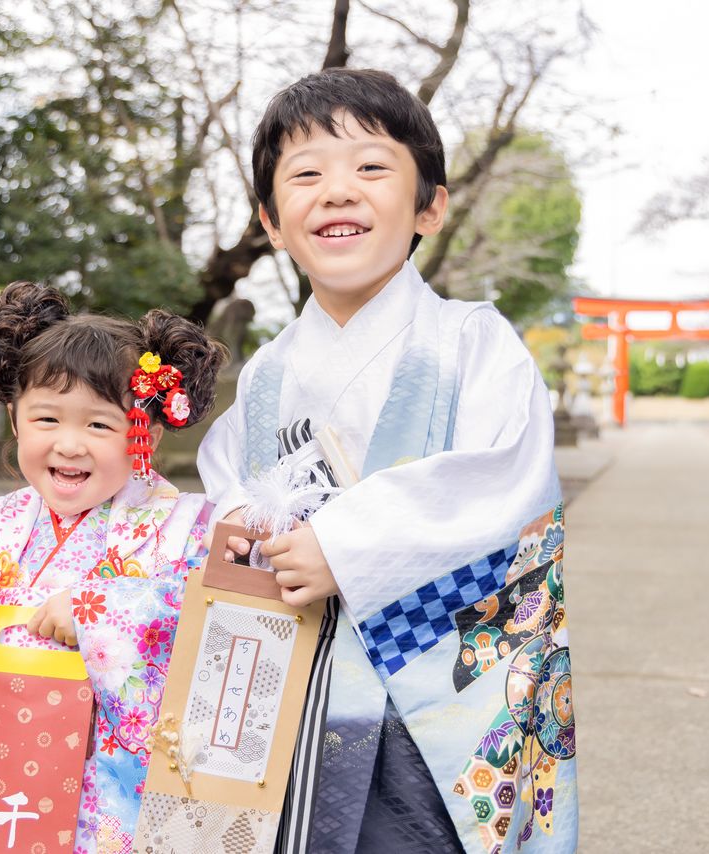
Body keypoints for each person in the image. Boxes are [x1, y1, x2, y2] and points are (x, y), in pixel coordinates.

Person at [198, 68, 577, 854]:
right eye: (305, 175)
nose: (337, 191)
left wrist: (344, 545)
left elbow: (504, 481)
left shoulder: (470, 342)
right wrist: (241, 523)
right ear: (271, 220)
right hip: (294, 696)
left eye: (371, 168)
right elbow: (225, 478)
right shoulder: (268, 371)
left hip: (429, 717)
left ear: (429, 207)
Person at [0, 281, 226, 853]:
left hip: (101, 799)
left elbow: (220, 626)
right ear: (15, 420)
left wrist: (102, 613)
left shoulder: (186, 529)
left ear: (145, 434)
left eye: (98, 424)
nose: (69, 445)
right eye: (47, 419)